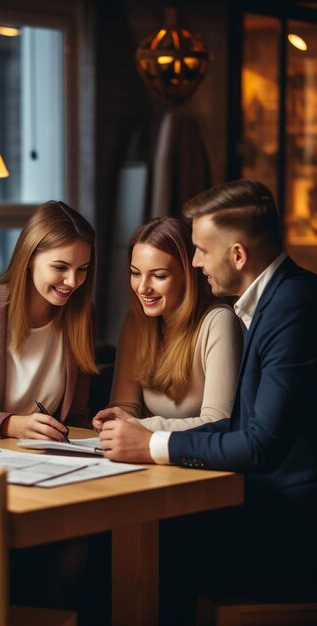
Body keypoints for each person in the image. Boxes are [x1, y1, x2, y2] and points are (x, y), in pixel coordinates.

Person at [96, 179, 317, 621]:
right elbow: (241, 426)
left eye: (200, 249)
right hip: (273, 507)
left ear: (237, 255)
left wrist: (152, 445)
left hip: (294, 528)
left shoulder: (292, 307)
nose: (195, 262)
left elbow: (256, 442)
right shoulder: (272, 302)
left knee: (149, 543)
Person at [0, 200, 98, 439]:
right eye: (60, 267)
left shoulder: (82, 315)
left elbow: (75, 415)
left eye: (82, 269)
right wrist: (13, 425)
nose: (73, 281)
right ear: (30, 257)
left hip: (47, 457)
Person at [93, 216, 243, 435]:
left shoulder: (218, 321)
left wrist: (139, 425)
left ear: (188, 276)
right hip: (148, 455)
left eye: (159, 276)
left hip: (200, 461)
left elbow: (219, 422)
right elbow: (125, 406)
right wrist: (113, 419)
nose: (143, 288)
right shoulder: (135, 322)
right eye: (135, 273)